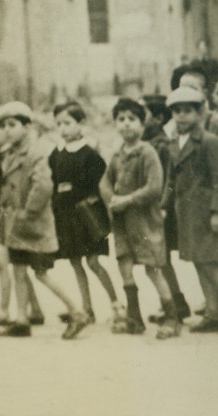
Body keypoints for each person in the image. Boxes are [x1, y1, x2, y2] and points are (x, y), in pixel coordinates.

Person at [0, 101, 86, 339]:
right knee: (19, 269)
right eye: (4, 126)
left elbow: (43, 185)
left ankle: (77, 312)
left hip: (32, 224)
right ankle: (22, 319)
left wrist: (27, 212)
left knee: (40, 272)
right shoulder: (13, 152)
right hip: (18, 224)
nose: (7, 130)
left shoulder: (37, 151)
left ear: (26, 126)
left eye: (12, 125)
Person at [99, 97, 180, 338]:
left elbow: (155, 187)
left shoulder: (148, 152)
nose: (126, 124)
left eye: (131, 119)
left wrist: (128, 199)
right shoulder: (117, 155)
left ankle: (172, 317)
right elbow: (104, 182)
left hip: (145, 221)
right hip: (123, 223)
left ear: (142, 125)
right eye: (121, 119)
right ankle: (134, 317)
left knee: (153, 268)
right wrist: (111, 198)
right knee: (125, 265)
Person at [48, 102, 120, 326]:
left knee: (94, 262)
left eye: (68, 123)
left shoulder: (90, 154)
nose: (63, 128)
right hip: (66, 215)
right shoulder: (56, 154)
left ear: (81, 124)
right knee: (75, 262)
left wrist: (71, 190)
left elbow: (97, 184)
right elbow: (53, 182)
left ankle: (117, 304)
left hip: (86, 216)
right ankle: (87, 309)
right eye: (59, 124)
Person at [163, 84, 218, 331]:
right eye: (177, 111)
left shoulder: (208, 142)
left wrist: (216, 211)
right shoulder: (174, 143)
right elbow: (171, 181)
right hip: (185, 212)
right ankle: (213, 310)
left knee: (208, 262)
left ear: (199, 113)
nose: (182, 116)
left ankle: (214, 312)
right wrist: (163, 206)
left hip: (204, 211)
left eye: (187, 111)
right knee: (199, 261)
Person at [0, 116, 42, 327]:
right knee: (19, 264)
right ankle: (34, 309)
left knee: (5, 263)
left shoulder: (8, 158)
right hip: (2, 218)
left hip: (12, 217)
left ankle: (5, 310)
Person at [140, 94, 193, 321]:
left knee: (160, 257)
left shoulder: (161, 145)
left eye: (145, 115)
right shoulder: (148, 143)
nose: (140, 120)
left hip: (160, 208)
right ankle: (174, 301)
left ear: (159, 117)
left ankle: (177, 303)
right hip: (153, 207)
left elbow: (168, 182)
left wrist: (162, 206)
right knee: (159, 258)